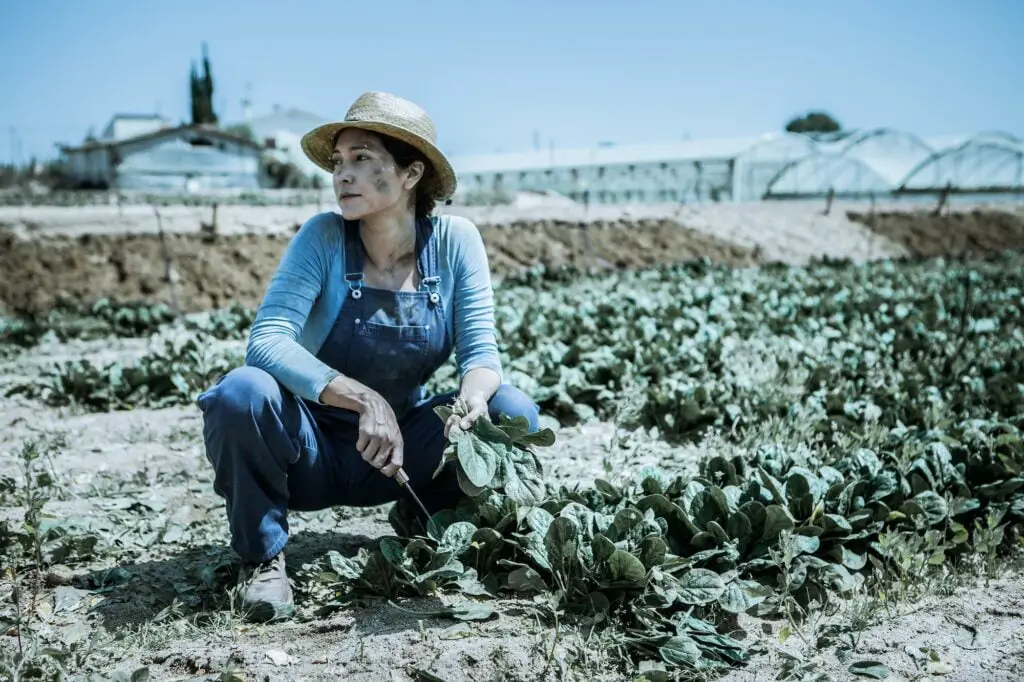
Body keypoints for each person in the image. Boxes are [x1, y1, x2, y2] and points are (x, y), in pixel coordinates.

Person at [196, 91, 541, 623]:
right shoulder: (323, 237)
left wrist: (472, 401)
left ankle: (432, 518)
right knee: (242, 392)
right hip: (309, 455)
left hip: (401, 455)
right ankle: (262, 559)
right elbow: (266, 341)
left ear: (411, 174)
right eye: (338, 162)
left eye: (362, 159)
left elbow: (481, 353)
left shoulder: (455, 242)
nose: (342, 176)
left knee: (512, 410)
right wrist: (362, 398)